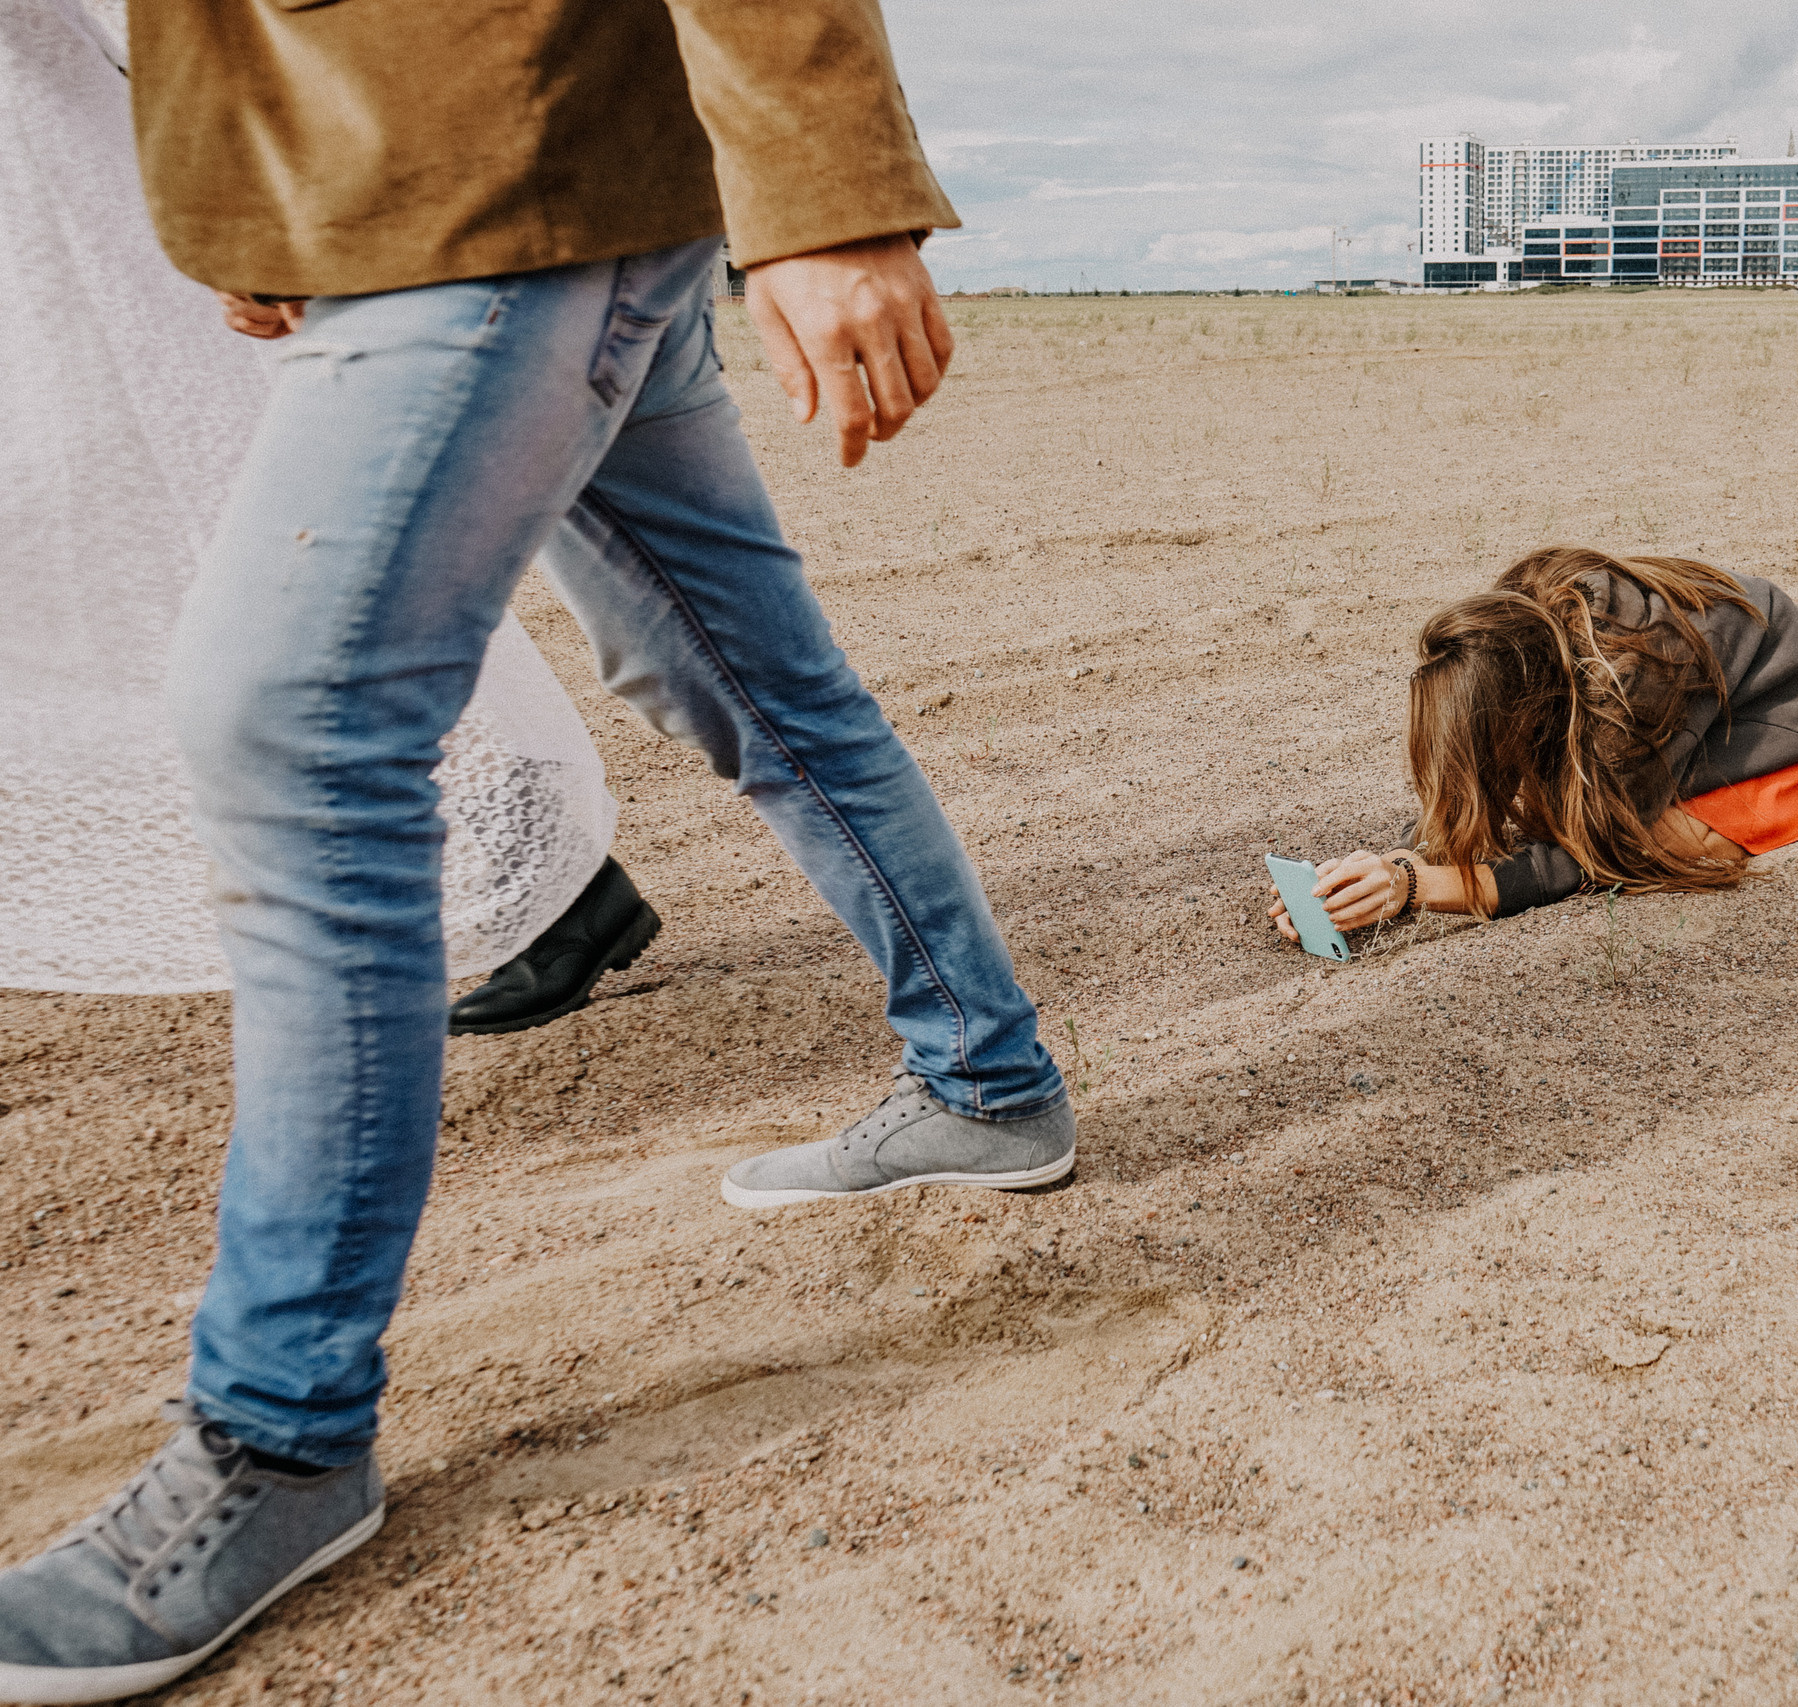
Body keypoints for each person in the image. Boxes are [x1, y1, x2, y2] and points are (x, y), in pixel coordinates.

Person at [0, 0, 1070, 1697]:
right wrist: (261, 197)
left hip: (512, 143)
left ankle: (278, 1435)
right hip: (439, 176)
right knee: (728, 669)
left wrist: (827, 178)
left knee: (291, 716)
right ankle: (983, 1077)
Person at [0, 0, 660, 1036]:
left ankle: (546, 879)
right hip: (46, 296)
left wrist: (274, 209)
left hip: (110, 284)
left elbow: (166, 29)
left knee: (294, 596)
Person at [1271, 546, 1798, 941]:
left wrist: (1414, 885)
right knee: (1558, 809)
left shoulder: (1628, 686)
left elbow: (1587, 855)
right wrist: (1371, 871)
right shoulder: (1513, 640)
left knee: (1671, 845)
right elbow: (1470, 776)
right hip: (1686, 698)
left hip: (1780, 694)